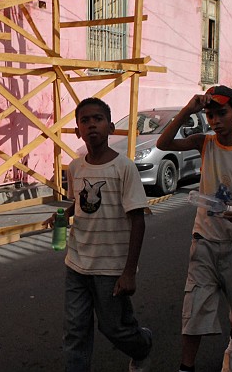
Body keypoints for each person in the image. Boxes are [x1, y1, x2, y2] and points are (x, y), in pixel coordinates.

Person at [156, 86, 232, 372]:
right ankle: (186, 367)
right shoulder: (204, 143)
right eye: (210, 115)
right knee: (194, 308)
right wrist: (188, 110)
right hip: (205, 241)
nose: (215, 120)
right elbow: (164, 143)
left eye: (222, 113)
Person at [44, 97, 152, 372]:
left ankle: (142, 345)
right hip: (77, 264)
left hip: (111, 267)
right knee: (75, 330)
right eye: (84, 120)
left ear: (111, 127)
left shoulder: (123, 167)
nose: (91, 124)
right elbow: (78, 203)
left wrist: (129, 272)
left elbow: (137, 220)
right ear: (78, 130)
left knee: (114, 328)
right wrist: (61, 216)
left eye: (98, 119)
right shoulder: (76, 167)